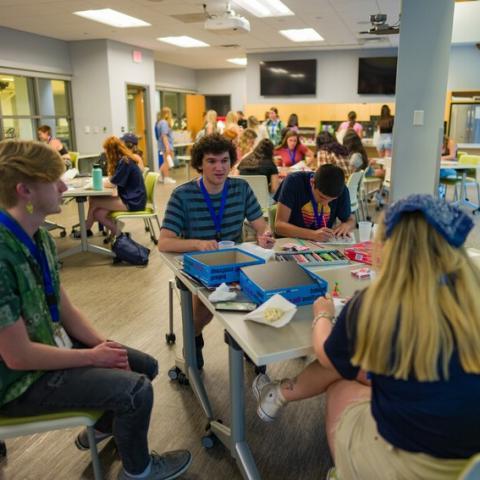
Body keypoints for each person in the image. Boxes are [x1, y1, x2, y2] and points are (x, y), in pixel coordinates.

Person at [0, 139, 192, 480]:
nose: (64, 187)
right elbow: (18, 357)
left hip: (49, 348)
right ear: (24, 190)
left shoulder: (38, 237)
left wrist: (107, 347)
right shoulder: (3, 253)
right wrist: (92, 357)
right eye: (54, 181)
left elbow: (63, 307)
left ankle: (107, 425)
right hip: (17, 383)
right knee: (136, 390)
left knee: (142, 365)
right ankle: (139, 472)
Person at [254, 194, 480, 480]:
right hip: (470, 464)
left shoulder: (376, 303)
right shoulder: (472, 298)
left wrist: (322, 314)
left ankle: (346, 469)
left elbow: (325, 354)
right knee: (359, 367)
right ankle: (279, 393)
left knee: (341, 382)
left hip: (407, 467)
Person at [158, 133, 274, 369]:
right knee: (206, 304)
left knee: (260, 291)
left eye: (224, 161)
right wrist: (198, 244)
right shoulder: (182, 195)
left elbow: (261, 227)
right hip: (199, 265)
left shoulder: (240, 188)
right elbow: (165, 243)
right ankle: (194, 337)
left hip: (235, 261)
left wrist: (265, 237)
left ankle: (242, 339)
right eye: (212, 161)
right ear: (200, 164)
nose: (219, 167)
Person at [73, 136, 146, 238]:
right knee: (99, 214)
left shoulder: (125, 161)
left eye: (107, 151)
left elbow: (112, 183)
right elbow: (114, 179)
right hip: (130, 197)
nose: (106, 154)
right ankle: (119, 233)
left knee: (94, 200)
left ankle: (86, 228)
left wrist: (96, 183)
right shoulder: (124, 160)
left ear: (112, 151)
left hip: (133, 201)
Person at [273, 164, 355, 241]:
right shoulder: (293, 181)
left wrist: (347, 225)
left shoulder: (342, 190)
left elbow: (351, 220)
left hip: (321, 244)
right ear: (312, 182)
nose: (325, 204)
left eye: (332, 200)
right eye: (322, 197)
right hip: (292, 242)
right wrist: (313, 234)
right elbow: (279, 226)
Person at [154, 108, 177, 185]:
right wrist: (167, 147)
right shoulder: (164, 123)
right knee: (167, 162)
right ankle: (166, 178)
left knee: (165, 162)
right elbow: (164, 136)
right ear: (167, 113)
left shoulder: (159, 122)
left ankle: (161, 176)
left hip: (163, 145)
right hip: (166, 145)